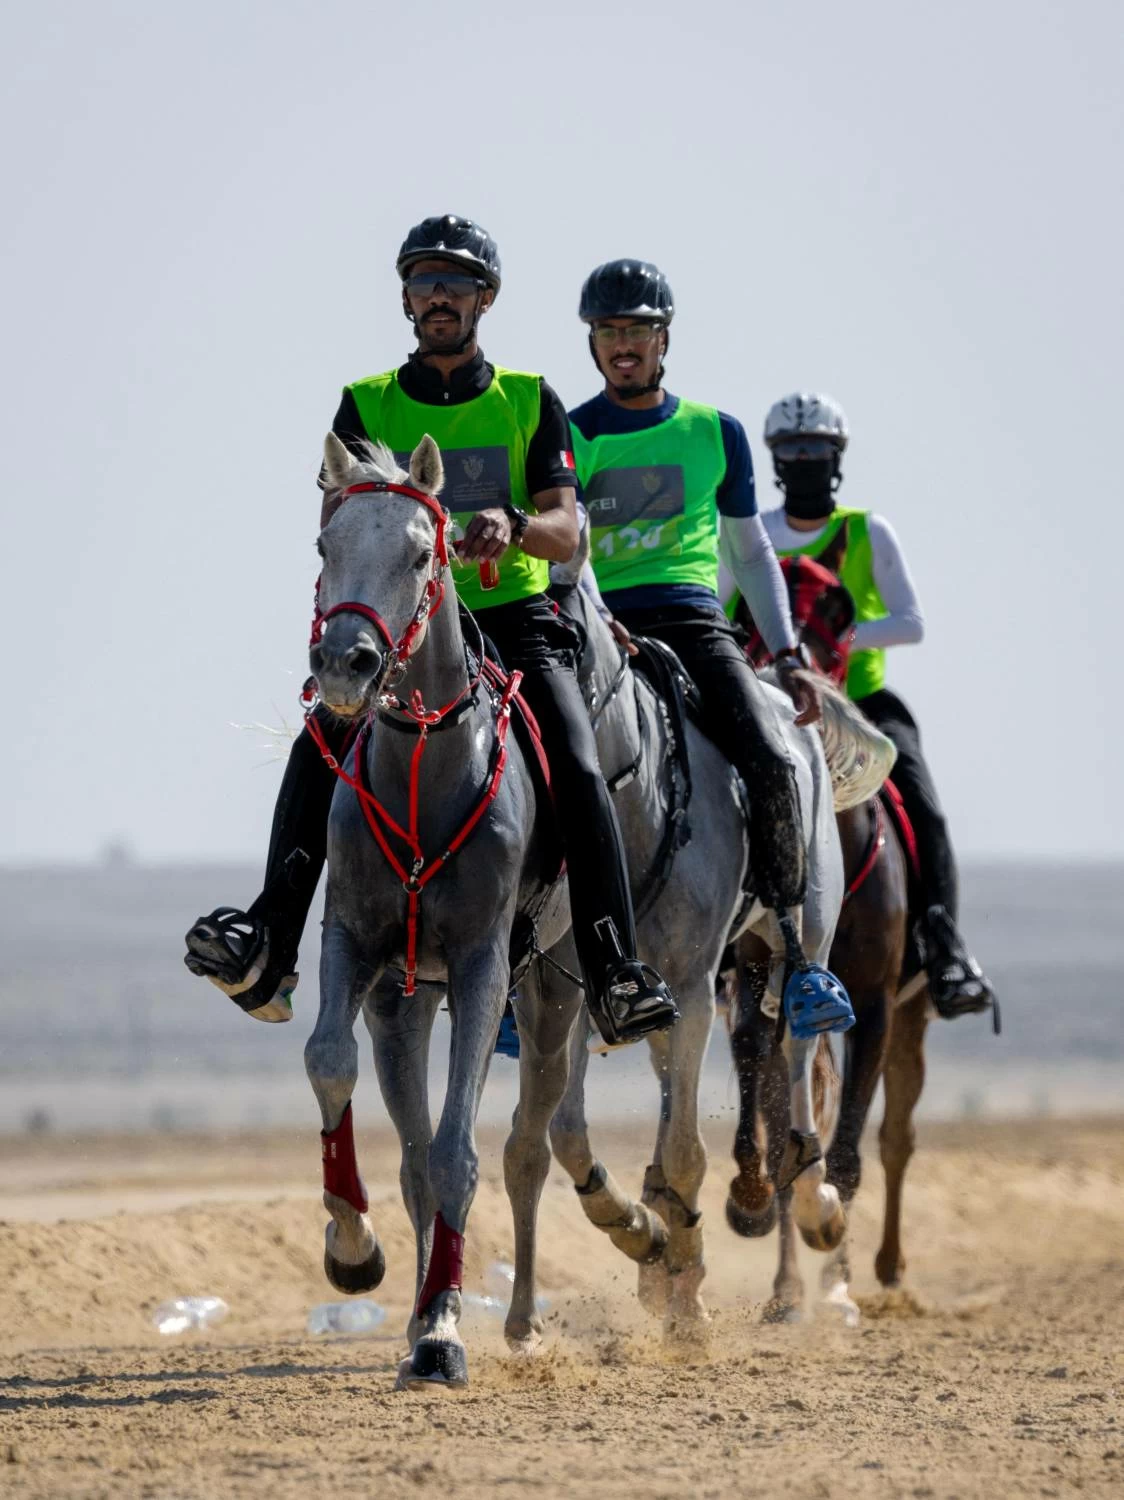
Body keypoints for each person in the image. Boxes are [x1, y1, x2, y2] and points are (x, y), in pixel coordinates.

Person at [184, 216, 678, 1048]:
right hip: (403, 630)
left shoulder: (529, 398)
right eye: (423, 281)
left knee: (578, 761)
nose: (438, 295)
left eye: (455, 282)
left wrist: (512, 522)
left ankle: (613, 968)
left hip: (513, 617)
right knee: (319, 744)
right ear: (407, 298)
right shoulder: (366, 402)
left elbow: (566, 529)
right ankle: (268, 943)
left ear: (485, 298)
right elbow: (340, 527)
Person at [568, 259, 841, 991]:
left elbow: (751, 554)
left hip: (694, 621)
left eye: (638, 330)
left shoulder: (716, 432)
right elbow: (573, 543)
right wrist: (597, 618)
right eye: (608, 331)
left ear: (664, 338)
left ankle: (793, 945)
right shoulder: (569, 433)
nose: (623, 344)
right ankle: (517, 968)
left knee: (775, 759)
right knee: (533, 769)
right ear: (593, 343)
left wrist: (785, 655)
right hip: (602, 627)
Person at [756, 391, 995, 1021]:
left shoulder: (869, 532)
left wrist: (837, 632)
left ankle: (944, 945)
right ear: (776, 459)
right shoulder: (754, 534)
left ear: (836, 459)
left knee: (925, 805)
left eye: (817, 450)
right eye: (792, 450)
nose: (804, 460)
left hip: (861, 703)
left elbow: (910, 621)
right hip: (780, 702)